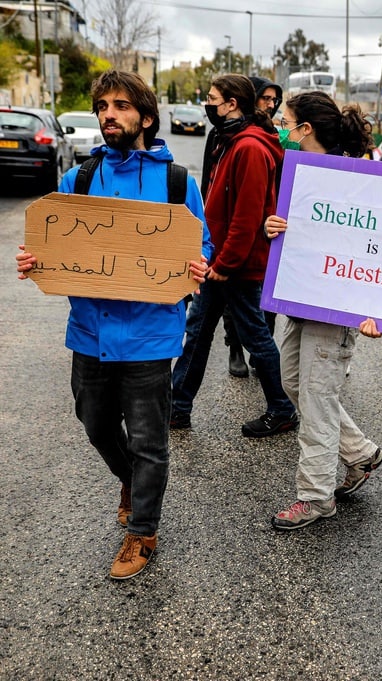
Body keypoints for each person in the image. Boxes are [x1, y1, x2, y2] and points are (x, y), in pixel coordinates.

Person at [15, 70, 212, 579]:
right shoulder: (77, 180)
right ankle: (130, 479)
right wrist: (35, 260)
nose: (109, 115)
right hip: (89, 332)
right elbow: (51, 243)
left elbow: (201, 244)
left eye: (121, 106)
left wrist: (198, 266)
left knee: (149, 440)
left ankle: (142, 531)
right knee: (96, 425)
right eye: (103, 106)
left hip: (150, 334)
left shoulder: (176, 182)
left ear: (145, 116)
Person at [263, 92, 382, 530]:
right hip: (306, 300)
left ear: (306, 129)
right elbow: (300, 235)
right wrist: (273, 227)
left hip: (336, 310)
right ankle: (360, 454)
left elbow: (380, 247)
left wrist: (379, 311)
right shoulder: (302, 174)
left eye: (285, 121)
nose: (281, 129)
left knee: (317, 398)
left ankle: (315, 497)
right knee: (293, 381)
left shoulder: (355, 178)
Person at [170, 74, 297, 438]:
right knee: (198, 332)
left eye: (212, 98)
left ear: (231, 104)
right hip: (222, 261)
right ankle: (178, 407)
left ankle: (282, 408)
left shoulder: (250, 148)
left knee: (255, 336)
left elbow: (248, 214)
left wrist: (225, 264)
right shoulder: (230, 141)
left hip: (237, 265)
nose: (207, 104)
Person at [218, 75, 285, 379]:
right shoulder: (227, 134)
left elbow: (270, 189)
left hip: (261, 234)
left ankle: (276, 396)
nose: (270, 105)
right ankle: (235, 350)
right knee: (219, 314)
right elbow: (214, 181)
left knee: (259, 312)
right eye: (265, 98)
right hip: (230, 237)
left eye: (275, 99)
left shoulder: (264, 139)